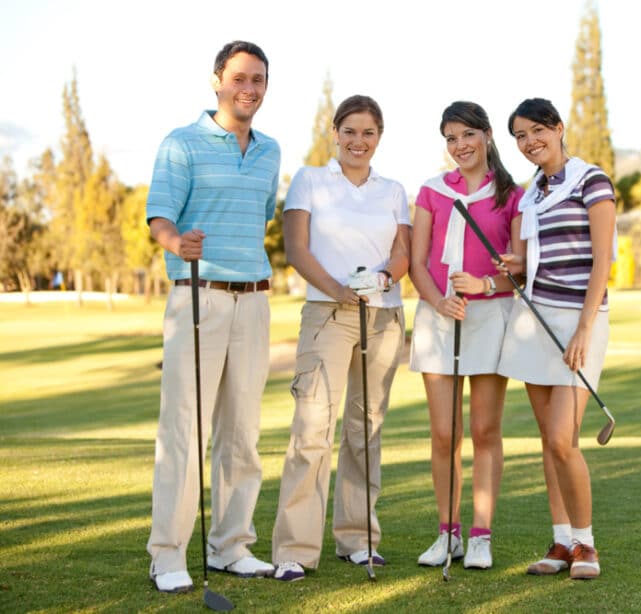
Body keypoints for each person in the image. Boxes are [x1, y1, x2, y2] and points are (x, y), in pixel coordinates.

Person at [145, 40, 280, 593]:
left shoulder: (271, 150)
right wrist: (180, 243)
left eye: (259, 80)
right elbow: (159, 218)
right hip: (198, 294)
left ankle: (231, 546)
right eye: (240, 78)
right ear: (217, 80)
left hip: (255, 298)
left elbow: (262, 216)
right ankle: (168, 554)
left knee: (242, 432)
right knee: (185, 429)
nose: (249, 89)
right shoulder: (182, 144)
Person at [271, 95, 411, 582]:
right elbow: (297, 248)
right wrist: (339, 290)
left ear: (379, 137)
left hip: (383, 316)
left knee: (364, 430)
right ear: (335, 133)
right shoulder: (310, 180)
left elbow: (402, 253)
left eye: (368, 132)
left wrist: (383, 282)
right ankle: (294, 549)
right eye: (350, 131)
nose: (359, 141)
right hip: (327, 313)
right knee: (313, 427)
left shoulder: (392, 190)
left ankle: (359, 539)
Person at [498, 98, 616, 580]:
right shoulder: (533, 191)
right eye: (521, 137)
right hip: (535, 320)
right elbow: (534, 258)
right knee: (549, 441)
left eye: (536, 131)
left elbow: (602, 260)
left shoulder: (592, 181)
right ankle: (562, 540)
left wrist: (585, 329)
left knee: (565, 440)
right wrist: (517, 264)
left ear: (559, 128)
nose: (529, 143)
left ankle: (587, 544)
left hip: (577, 322)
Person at [409, 101, 525, 570]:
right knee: (444, 433)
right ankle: (448, 533)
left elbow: (518, 267)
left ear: (488, 135)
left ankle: (480, 535)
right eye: (451, 138)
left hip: (492, 315)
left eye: (468, 135)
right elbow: (417, 262)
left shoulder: (511, 194)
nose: (460, 146)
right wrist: (439, 300)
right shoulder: (432, 191)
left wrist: (485, 284)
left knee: (484, 431)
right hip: (439, 317)